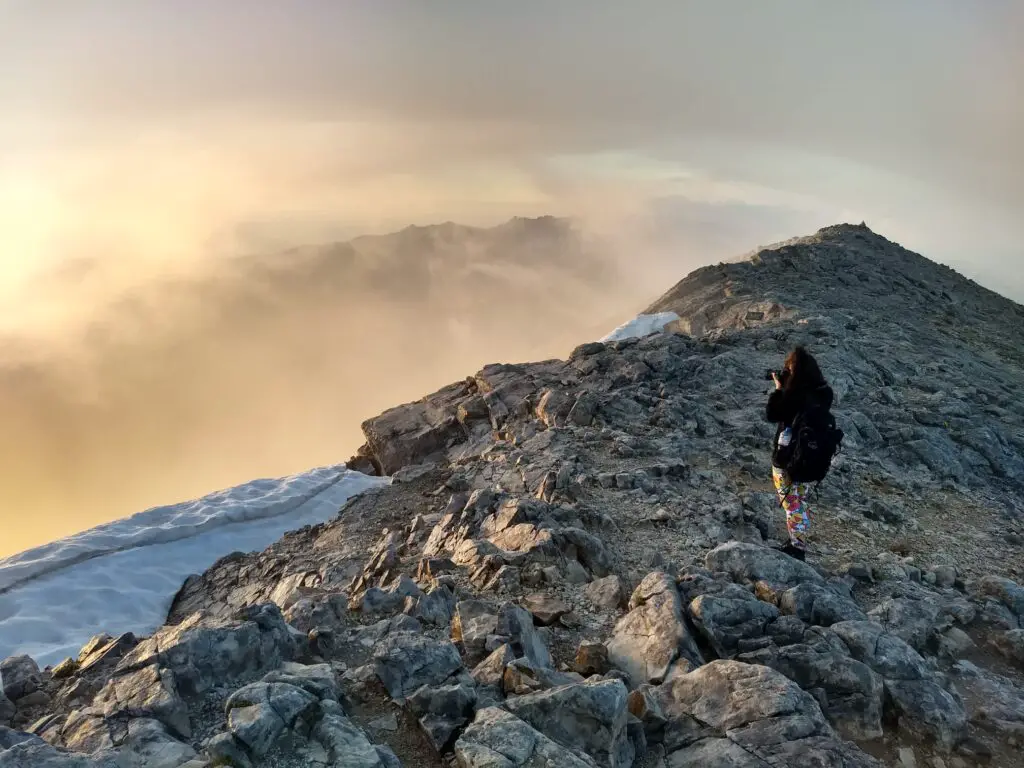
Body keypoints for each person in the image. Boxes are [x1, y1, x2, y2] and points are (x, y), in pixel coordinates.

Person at [766, 346, 834, 561]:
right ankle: (797, 541)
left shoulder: (795, 396)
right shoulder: (823, 393)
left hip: (789, 457)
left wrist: (779, 389)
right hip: (809, 458)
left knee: (791, 504)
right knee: (798, 500)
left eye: (789, 369)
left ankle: (797, 547)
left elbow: (773, 413)